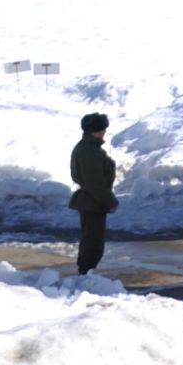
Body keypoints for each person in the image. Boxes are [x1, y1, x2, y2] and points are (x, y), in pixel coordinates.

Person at [69, 112, 118, 275]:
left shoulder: (89, 148)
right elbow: (94, 182)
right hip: (92, 201)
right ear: (96, 130)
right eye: (102, 129)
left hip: (92, 201)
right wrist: (110, 201)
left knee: (91, 239)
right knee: (93, 241)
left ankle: (86, 271)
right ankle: (86, 273)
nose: (104, 132)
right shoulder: (89, 151)